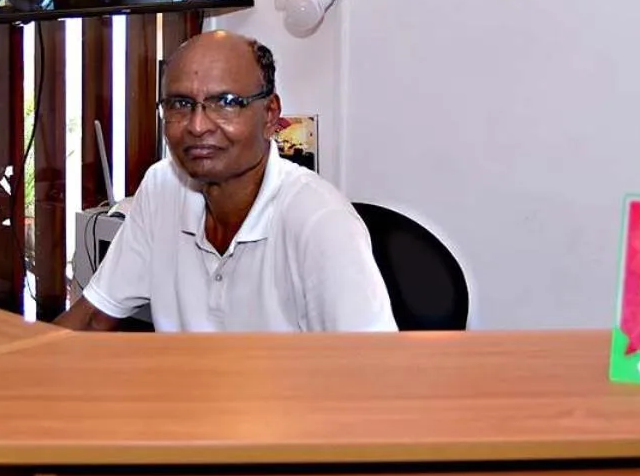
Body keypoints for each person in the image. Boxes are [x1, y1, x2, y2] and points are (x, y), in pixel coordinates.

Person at [55, 31, 397, 333]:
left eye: (226, 103)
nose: (197, 126)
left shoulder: (321, 221)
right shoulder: (162, 187)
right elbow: (93, 318)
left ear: (270, 115)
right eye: (180, 104)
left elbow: (374, 373)